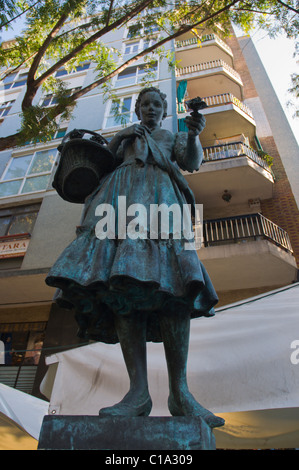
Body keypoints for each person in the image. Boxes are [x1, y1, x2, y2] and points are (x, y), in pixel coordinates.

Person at [46, 87, 224, 428]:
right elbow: (102, 162)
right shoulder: (127, 136)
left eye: (158, 105)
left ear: (163, 109)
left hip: (162, 198)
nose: (152, 109)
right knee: (122, 288)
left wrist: (194, 133)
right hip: (121, 198)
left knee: (175, 289)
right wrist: (122, 137)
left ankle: (180, 392)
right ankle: (137, 393)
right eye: (146, 105)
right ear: (139, 108)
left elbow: (191, 162)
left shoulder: (170, 136)